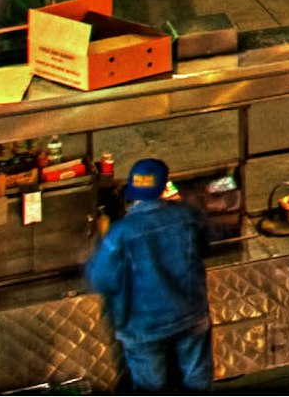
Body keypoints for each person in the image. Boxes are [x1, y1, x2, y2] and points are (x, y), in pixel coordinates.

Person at [85, 158, 214, 393]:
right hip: (191, 314)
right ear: (164, 186)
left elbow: (101, 277)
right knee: (197, 379)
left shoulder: (120, 233)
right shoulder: (187, 216)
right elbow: (205, 246)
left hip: (143, 327)